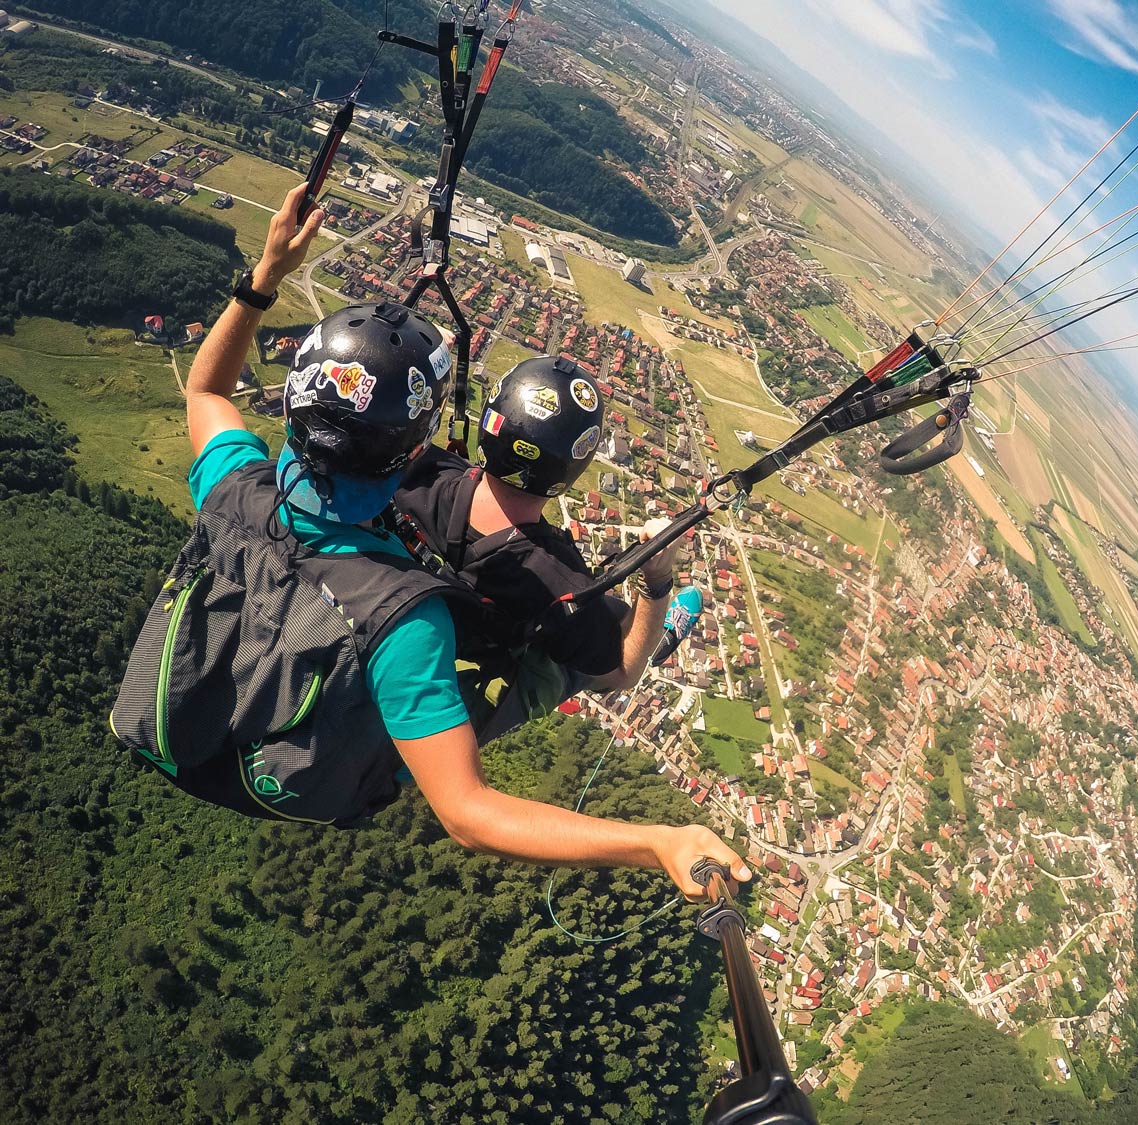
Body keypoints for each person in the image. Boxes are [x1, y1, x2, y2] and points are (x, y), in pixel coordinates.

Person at [111, 184, 748, 900]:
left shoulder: (236, 484)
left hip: (195, 714)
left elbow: (205, 392)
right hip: (301, 753)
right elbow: (469, 813)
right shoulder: (406, 625)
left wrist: (267, 275)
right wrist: (656, 841)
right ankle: (655, 615)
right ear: (404, 454)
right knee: (553, 672)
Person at [395, 355, 684, 742]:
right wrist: (658, 581)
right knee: (600, 632)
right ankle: (653, 628)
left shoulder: (422, 472)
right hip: (468, 663)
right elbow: (624, 674)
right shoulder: (556, 580)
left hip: (402, 629)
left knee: (600, 614)